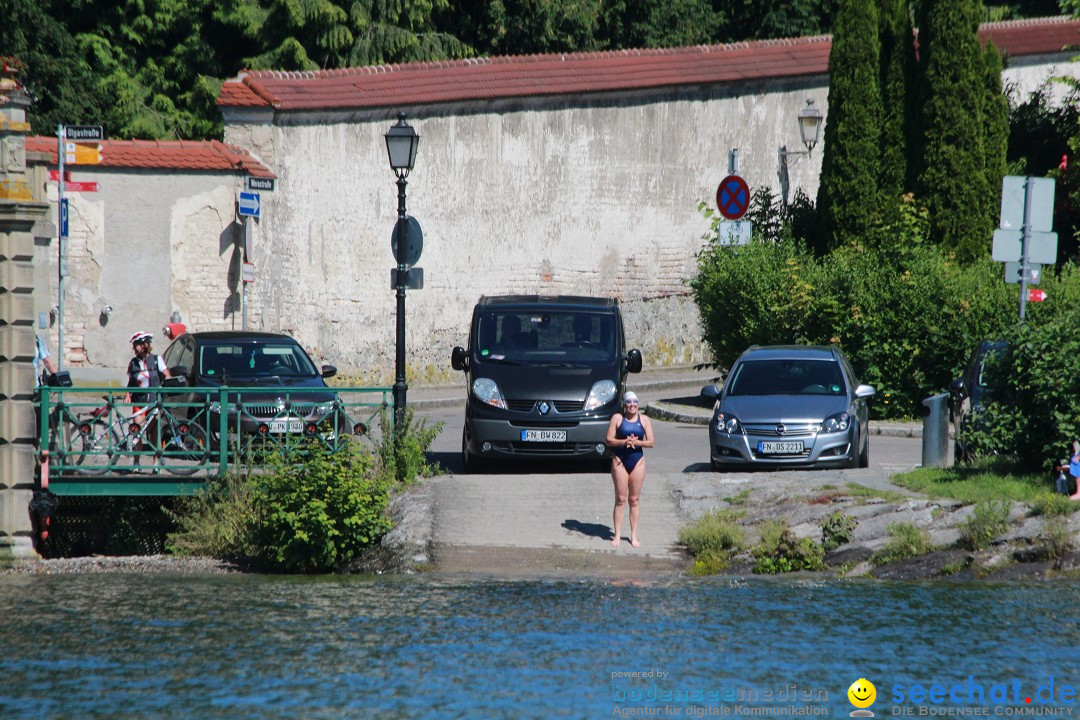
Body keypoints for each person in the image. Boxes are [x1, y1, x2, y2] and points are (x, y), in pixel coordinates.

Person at [605, 390, 655, 548]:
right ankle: (617, 535)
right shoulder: (617, 418)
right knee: (620, 499)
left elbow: (651, 442)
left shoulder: (644, 419)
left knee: (634, 500)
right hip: (620, 461)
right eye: (629, 402)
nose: (632, 405)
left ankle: (633, 535)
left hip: (637, 461)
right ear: (624, 404)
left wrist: (637, 443)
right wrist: (623, 441)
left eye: (635, 402)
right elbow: (608, 439)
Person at [124, 331, 172, 471]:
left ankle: (155, 464)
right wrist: (127, 394)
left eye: (136, 345)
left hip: (153, 402)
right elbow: (131, 381)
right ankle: (136, 463)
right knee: (137, 432)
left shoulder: (157, 360)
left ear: (143, 345)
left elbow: (167, 375)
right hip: (139, 402)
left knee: (154, 434)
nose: (134, 348)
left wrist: (168, 385)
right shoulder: (133, 363)